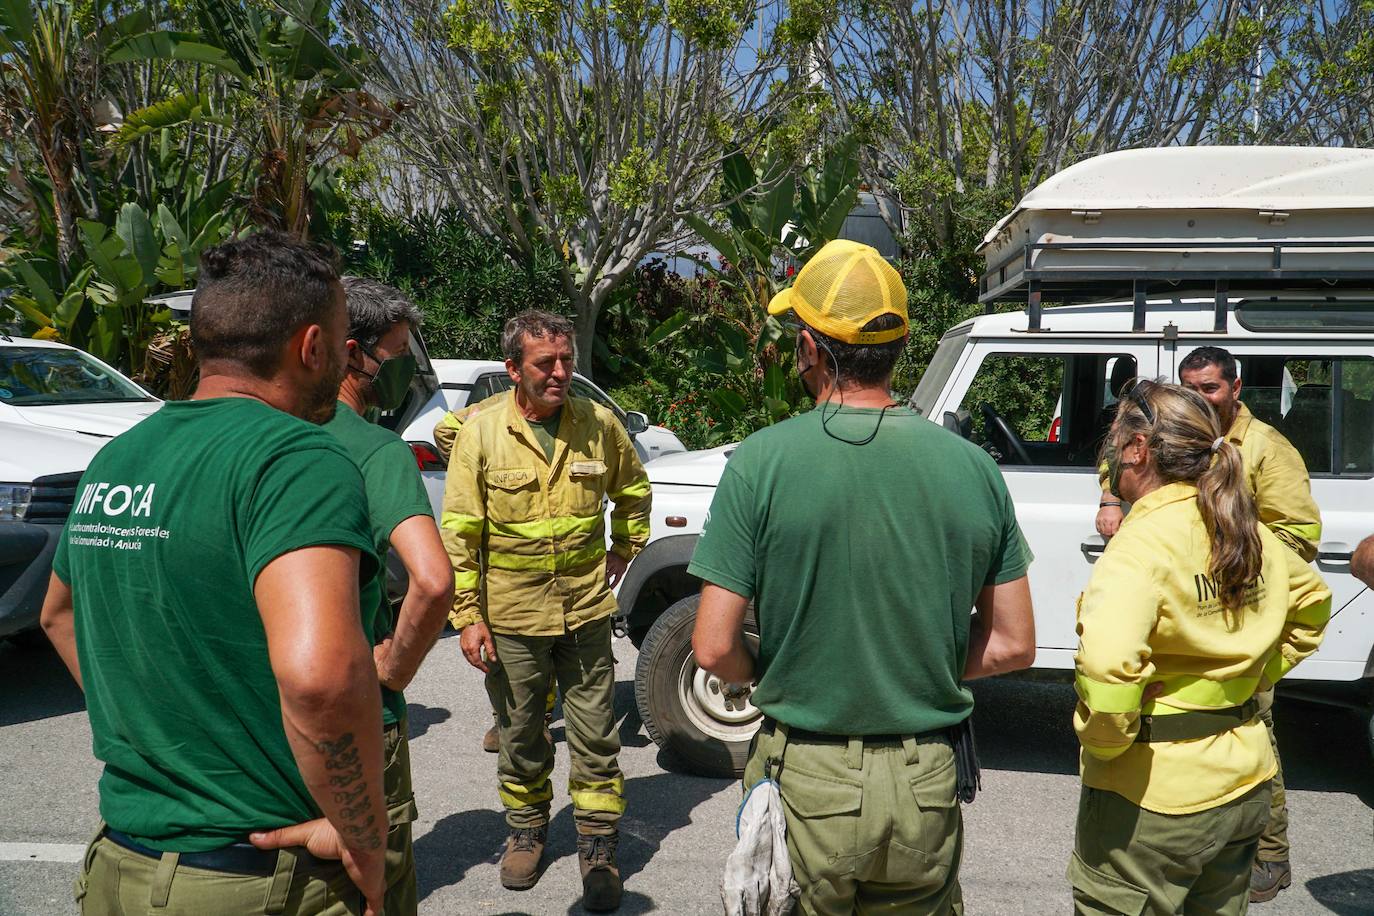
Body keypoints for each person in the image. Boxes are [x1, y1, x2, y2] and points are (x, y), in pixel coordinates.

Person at [39, 232, 389, 915]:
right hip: (252, 880)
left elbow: (58, 614)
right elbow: (321, 680)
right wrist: (364, 839)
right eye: (345, 343)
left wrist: (167, 734)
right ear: (312, 346)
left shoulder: (120, 457)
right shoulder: (297, 460)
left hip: (117, 870)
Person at [690, 239, 1037, 915]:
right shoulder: (974, 469)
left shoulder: (760, 463)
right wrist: (917, 667)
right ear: (899, 346)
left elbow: (711, 647)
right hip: (925, 783)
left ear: (814, 350)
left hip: (809, 777)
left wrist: (785, 668)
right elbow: (1012, 644)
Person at [1072, 380, 1331, 916]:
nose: (1112, 454)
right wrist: (1257, 678)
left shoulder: (1139, 546)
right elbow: (1313, 604)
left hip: (1155, 794)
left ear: (1139, 449)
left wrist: (1106, 750)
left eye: (1115, 440)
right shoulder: (1242, 525)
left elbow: (1107, 671)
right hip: (1245, 779)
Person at [440, 310, 651, 911]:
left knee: (596, 736)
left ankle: (598, 848)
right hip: (512, 618)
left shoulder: (600, 425)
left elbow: (633, 489)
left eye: (566, 360)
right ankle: (527, 832)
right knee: (521, 734)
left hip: (583, 610)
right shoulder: (481, 435)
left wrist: (625, 547)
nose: (560, 373)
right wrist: (468, 615)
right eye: (545, 363)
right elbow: (458, 533)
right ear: (513, 369)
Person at [325, 277, 454, 915]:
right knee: (377, 882)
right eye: (399, 354)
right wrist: (394, 671)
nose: (407, 369)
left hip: (259, 718)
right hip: (359, 715)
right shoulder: (374, 450)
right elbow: (432, 582)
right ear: (354, 354)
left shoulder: (248, 440)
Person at [434, 395, 558, 755]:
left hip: (556, 562)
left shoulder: (573, 412)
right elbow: (445, 429)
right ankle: (504, 716)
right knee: (499, 646)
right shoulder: (494, 410)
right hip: (500, 556)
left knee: (544, 646)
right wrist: (472, 451)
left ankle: (541, 719)